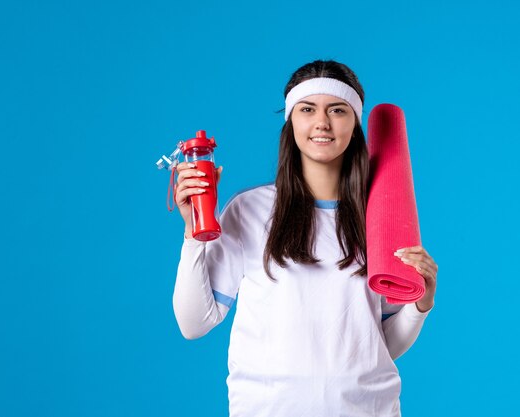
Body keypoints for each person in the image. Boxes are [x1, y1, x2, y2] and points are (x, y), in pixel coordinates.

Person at [171, 59, 438, 417]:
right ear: (291, 122)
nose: (322, 123)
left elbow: (381, 346)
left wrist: (420, 305)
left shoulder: (381, 217)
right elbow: (193, 323)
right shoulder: (250, 210)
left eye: (338, 110)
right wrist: (193, 236)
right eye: (307, 109)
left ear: (355, 125)